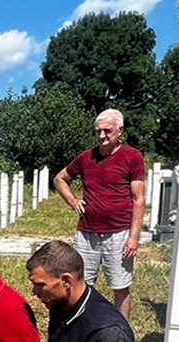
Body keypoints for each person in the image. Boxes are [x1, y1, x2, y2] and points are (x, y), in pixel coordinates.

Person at [54, 109, 145, 321]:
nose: (102, 136)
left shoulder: (132, 157)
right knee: (81, 285)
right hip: (87, 234)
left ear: (120, 131)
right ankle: (84, 328)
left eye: (108, 131)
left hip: (119, 234)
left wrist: (133, 237)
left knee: (120, 286)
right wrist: (73, 200)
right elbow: (60, 179)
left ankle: (122, 332)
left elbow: (138, 199)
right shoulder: (87, 157)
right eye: (98, 131)